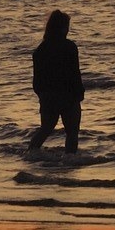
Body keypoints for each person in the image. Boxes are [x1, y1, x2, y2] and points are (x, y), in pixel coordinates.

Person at [29, 10, 84, 153]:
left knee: (45, 129)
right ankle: (70, 160)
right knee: (72, 132)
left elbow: (37, 81)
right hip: (68, 95)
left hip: (48, 96)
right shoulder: (69, 47)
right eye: (67, 26)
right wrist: (79, 93)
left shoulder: (40, 50)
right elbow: (74, 73)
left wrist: (42, 95)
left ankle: (30, 153)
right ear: (62, 28)